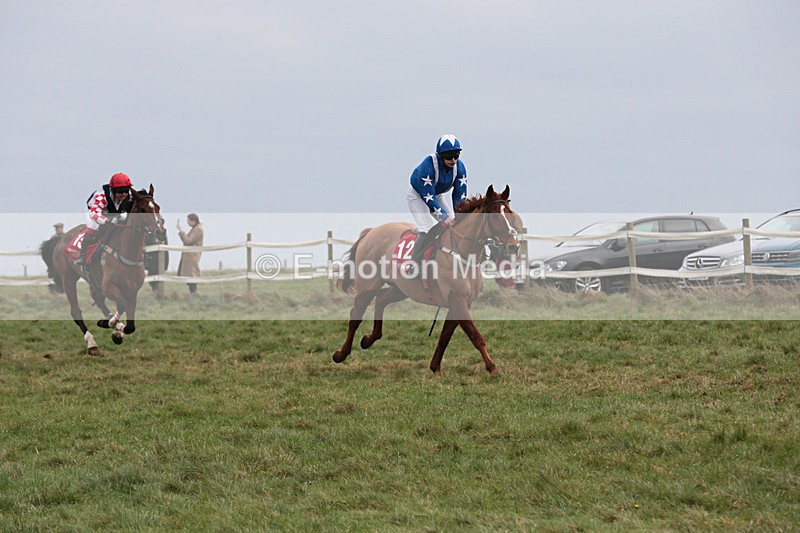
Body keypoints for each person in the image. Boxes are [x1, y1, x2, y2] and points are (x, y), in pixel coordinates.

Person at [406, 134, 468, 265]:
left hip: (437, 196)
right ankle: (414, 264)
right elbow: (427, 197)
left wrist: (460, 216)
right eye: (448, 155)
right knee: (427, 227)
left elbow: (459, 196)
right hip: (418, 196)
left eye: (456, 155)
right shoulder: (428, 165)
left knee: (454, 224)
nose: (452, 159)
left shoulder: (460, 169)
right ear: (440, 155)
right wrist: (444, 218)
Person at [75, 172, 133, 266]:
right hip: (93, 211)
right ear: (113, 190)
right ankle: (82, 254)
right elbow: (94, 214)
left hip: (111, 212)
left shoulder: (129, 195)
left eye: (126, 191)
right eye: (120, 191)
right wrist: (106, 221)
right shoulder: (102, 196)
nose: (124, 194)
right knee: (94, 226)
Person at [177, 213, 204, 295]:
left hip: (192, 255)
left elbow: (188, 241)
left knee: (192, 274)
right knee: (189, 274)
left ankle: (194, 292)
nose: (187, 223)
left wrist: (181, 231)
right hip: (189, 255)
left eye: (188, 221)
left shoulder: (198, 229)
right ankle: (193, 292)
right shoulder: (195, 228)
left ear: (193, 221)